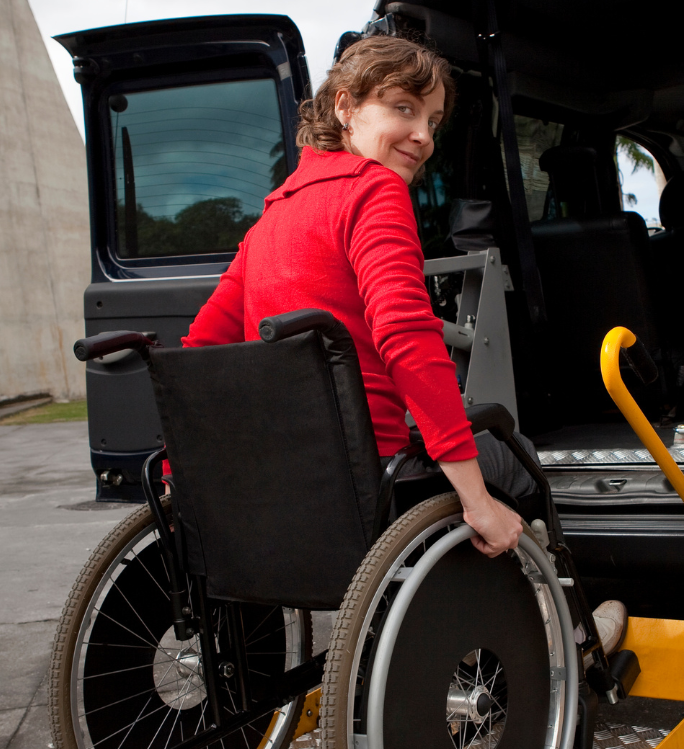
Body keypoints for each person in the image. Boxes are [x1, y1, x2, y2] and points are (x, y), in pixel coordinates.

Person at [182, 35, 527, 558]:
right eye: (404, 108)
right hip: (370, 474)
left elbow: (201, 349)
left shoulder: (273, 214)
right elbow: (406, 335)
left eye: (433, 122)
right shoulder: (375, 189)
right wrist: (477, 501)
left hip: (282, 475)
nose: (423, 135)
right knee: (516, 454)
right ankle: (558, 602)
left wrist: (177, 474)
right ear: (345, 106)